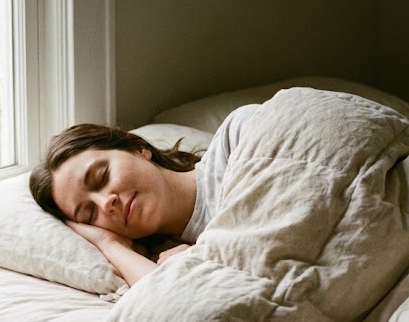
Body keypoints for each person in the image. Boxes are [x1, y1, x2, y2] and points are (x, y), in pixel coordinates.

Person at [30, 104, 259, 286]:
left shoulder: (238, 137)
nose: (105, 203)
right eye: (90, 214)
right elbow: (163, 303)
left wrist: (209, 253)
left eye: (102, 176)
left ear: (139, 149)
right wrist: (109, 244)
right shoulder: (166, 261)